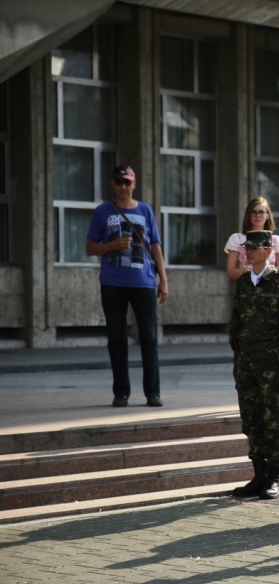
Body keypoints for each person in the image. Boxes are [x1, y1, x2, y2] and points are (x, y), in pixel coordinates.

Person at [85, 165, 169, 408]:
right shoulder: (102, 212)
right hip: (113, 283)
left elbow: (155, 246)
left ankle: (153, 392)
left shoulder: (145, 210)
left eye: (127, 183)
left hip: (143, 282)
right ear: (113, 185)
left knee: (149, 337)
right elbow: (90, 247)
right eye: (119, 182)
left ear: (134, 185)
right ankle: (121, 392)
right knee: (117, 338)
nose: (123, 187)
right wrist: (111, 246)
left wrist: (163, 280)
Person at [228, 230, 279, 501]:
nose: (247, 252)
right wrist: (237, 356)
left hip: (271, 364)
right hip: (246, 363)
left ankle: (273, 477)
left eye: (254, 248)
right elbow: (236, 323)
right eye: (246, 247)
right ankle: (258, 474)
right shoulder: (244, 282)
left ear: (268, 251)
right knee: (251, 420)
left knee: (273, 421)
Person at [224, 196, 279, 279]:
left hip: (270, 288)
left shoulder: (276, 240)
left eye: (261, 212)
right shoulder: (236, 239)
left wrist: (273, 277)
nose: (257, 215)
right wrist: (256, 274)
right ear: (248, 215)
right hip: (246, 288)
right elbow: (231, 272)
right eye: (254, 212)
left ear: (267, 215)